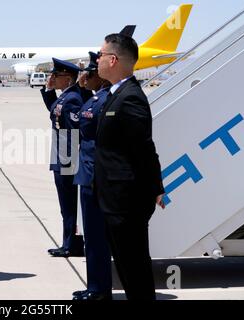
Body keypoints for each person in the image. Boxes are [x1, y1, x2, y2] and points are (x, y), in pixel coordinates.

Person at [94, 33, 166, 300]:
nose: (97, 60)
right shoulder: (117, 94)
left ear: (112, 60)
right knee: (126, 269)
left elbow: (144, 148)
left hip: (126, 202)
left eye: (100, 55)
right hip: (114, 199)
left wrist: (155, 187)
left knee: (134, 269)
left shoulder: (131, 97)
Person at [72, 52, 113, 300]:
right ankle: (95, 287)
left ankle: (99, 290)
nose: (84, 78)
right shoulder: (96, 97)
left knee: (97, 239)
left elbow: (84, 124)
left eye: (88, 74)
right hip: (88, 175)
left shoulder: (105, 99)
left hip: (95, 176)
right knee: (93, 239)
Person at [41, 58, 84, 258]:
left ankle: (72, 244)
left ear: (67, 79)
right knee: (65, 205)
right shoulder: (65, 97)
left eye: (56, 76)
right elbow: (55, 112)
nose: (52, 78)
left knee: (69, 204)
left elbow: (74, 132)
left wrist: (68, 161)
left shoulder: (73, 98)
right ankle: (67, 242)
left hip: (66, 159)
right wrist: (48, 91)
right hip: (60, 157)